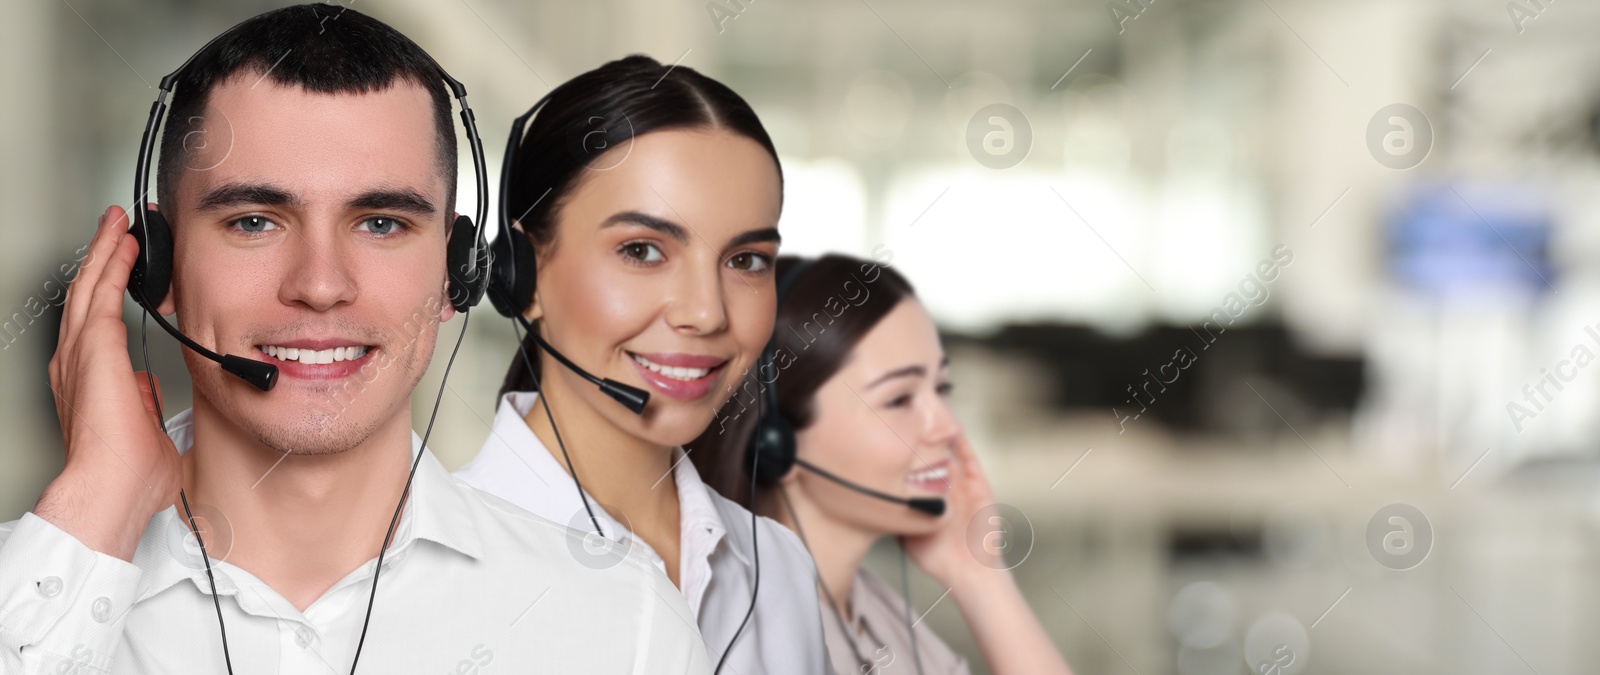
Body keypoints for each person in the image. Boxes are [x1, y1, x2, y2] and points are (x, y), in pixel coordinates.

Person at [0, 6, 707, 673]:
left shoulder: (621, 625)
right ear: (157, 263)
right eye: (254, 220)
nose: (320, 283)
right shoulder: (33, 576)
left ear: (456, 273)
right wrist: (94, 509)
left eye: (380, 223)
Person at [453, 55, 826, 674]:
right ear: (523, 273)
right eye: (643, 250)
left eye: (746, 260)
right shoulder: (422, 570)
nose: (706, 314)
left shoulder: (778, 567)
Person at [689, 254, 1074, 675]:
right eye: (900, 399)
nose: (947, 426)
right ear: (777, 439)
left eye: (941, 388)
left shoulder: (874, 614)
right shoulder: (737, 639)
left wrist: (979, 577)